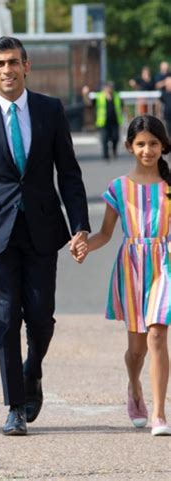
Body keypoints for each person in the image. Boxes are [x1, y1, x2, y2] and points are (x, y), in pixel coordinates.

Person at [0, 36, 90, 436]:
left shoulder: (50, 110)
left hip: (44, 231)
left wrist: (79, 225)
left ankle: (32, 372)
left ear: (26, 66)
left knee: (41, 318)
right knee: (5, 318)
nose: (7, 70)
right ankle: (15, 406)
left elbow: (69, 173)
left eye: (14, 62)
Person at [71, 115, 171, 436]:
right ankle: (134, 388)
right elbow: (105, 234)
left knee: (157, 335)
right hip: (132, 269)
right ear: (129, 146)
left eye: (153, 143)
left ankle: (158, 413)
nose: (147, 150)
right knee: (136, 350)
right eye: (141, 144)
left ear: (163, 146)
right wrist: (86, 245)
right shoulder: (118, 188)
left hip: (165, 265)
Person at [82, 82, 124, 160]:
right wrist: (85, 94)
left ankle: (114, 151)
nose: (110, 89)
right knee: (104, 139)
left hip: (115, 121)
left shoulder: (117, 96)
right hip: (103, 122)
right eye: (108, 87)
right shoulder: (99, 97)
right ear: (105, 88)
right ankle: (105, 155)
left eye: (111, 87)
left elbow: (122, 107)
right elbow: (88, 103)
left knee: (115, 138)